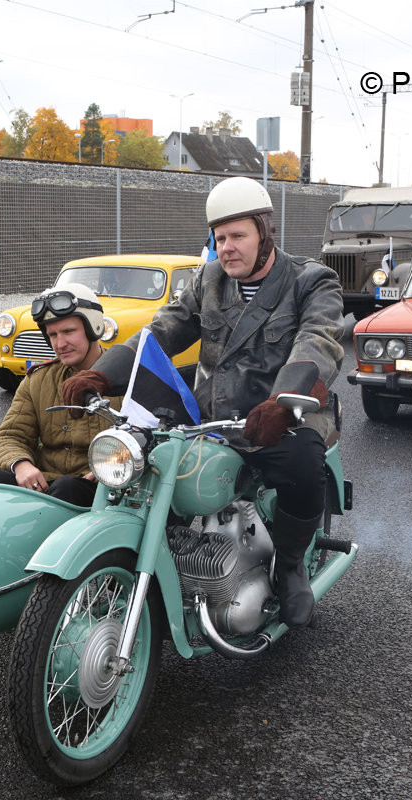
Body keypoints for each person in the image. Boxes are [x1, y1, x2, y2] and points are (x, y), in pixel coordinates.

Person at [61, 176, 348, 628]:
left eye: (238, 236)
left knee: (301, 465)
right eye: (220, 238)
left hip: (286, 411)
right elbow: (162, 331)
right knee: (147, 461)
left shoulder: (311, 280)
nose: (228, 247)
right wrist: (103, 372)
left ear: (264, 232)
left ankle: (290, 565)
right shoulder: (207, 280)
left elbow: (317, 342)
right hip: (215, 412)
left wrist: (281, 402)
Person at [0, 283, 120, 507]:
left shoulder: (127, 376)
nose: (60, 344)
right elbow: (8, 437)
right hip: (45, 483)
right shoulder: (38, 380)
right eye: (53, 335)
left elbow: (151, 437)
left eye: (69, 332)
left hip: (105, 487)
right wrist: (22, 465)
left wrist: (106, 466)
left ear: (94, 327)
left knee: (68, 488)